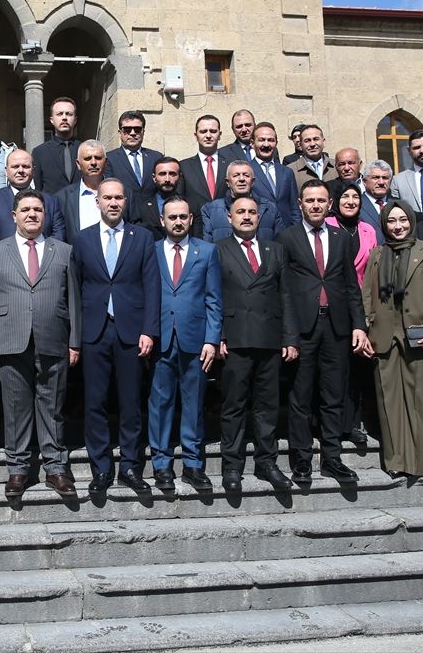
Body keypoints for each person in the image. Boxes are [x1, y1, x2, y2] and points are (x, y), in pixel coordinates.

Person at [0, 190, 81, 500]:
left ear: (45, 215)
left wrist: (75, 341)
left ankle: (56, 467)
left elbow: (73, 299)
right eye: (25, 209)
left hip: (53, 338)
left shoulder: (63, 250)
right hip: (10, 338)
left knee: (53, 407)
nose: (32, 214)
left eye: (37, 209)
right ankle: (18, 469)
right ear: (14, 215)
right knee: (15, 407)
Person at [277, 180, 370, 484]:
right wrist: (288, 335)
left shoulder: (341, 238)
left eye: (320, 200)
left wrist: (359, 325)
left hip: (336, 327)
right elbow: (283, 291)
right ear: (300, 204)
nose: (315, 205)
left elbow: (351, 285)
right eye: (309, 200)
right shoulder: (286, 238)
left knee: (333, 395)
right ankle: (302, 460)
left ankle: (332, 458)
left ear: (329, 205)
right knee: (300, 397)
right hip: (303, 329)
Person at [71, 179, 160, 496]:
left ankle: (131, 468)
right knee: (94, 402)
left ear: (125, 201)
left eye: (118, 198)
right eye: (107, 197)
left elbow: (152, 286)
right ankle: (101, 469)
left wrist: (149, 330)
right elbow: (75, 289)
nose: (112, 203)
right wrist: (75, 336)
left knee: (131, 402)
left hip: (131, 331)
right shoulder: (82, 239)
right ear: (97, 202)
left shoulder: (142, 237)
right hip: (94, 331)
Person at [362, 200, 423, 479]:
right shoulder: (377, 254)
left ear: (411, 222)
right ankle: (395, 461)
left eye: (402, 220)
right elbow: (368, 295)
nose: (397, 226)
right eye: (391, 221)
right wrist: (364, 330)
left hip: (419, 333)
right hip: (383, 335)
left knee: (418, 400)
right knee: (388, 402)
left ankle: (417, 463)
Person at [216, 195, 295, 492]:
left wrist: (290, 337)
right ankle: (231, 465)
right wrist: (218, 335)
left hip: (269, 338)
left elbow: (285, 295)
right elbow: (212, 295)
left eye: (252, 212)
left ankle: (267, 462)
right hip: (235, 338)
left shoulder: (275, 250)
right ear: (229, 217)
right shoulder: (218, 249)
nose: (247, 216)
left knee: (267, 405)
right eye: (241, 212)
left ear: (259, 217)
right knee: (233, 405)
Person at [149, 196, 222, 493]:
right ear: (162, 220)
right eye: (172, 217)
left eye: (183, 217)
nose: (177, 222)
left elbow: (214, 299)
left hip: (196, 340)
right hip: (161, 339)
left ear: (191, 219)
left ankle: (193, 464)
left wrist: (212, 339)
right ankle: (161, 464)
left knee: (193, 404)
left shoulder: (207, 251)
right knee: (160, 404)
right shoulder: (151, 251)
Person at [326, 183, 380, 447]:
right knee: (335, 367)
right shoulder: (326, 225)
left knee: (357, 366)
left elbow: (373, 269)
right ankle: (331, 423)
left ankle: (353, 423)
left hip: (361, 304)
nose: (350, 201)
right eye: (345, 196)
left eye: (355, 197)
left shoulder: (368, 229)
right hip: (333, 303)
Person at [0, 149, 66, 243]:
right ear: (6, 171)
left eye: (25, 166)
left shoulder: (51, 201)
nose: (20, 170)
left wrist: (45, 251)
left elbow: (59, 233)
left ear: (33, 171)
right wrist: (1, 251)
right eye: (15, 166)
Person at [201, 160, 283, 242]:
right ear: (228, 182)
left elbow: (280, 245)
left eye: (246, 175)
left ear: (253, 182)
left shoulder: (270, 209)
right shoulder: (211, 210)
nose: (241, 179)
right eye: (236, 175)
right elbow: (207, 246)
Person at [177, 115, 229, 238]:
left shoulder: (230, 165)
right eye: (203, 131)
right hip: (196, 230)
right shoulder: (183, 166)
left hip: (225, 228)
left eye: (213, 131)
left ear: (220, 135)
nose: (208, 135)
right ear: (196, 136)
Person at [55, 139, 109, 242]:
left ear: (106, 162)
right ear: (78, 164)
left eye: (98, 158)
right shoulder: (62, 198)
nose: (93, 163)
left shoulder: (123, 193)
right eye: (87, 158)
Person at [248, 122, 299, 227]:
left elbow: (294, 207)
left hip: (287, 230)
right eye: (261, 140)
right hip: (260, 229)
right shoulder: (247, 171)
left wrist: (296, 231)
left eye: (271, 140)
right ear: (252, 143)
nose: (266, 145)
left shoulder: (287, 172)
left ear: (276, 143)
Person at [104, 110, 162, 199]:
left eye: (137, 129)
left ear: (143, 132)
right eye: (127, 130)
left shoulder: (156, 157)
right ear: (120, 133)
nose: (132, 133)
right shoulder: (109, 159)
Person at [32, 97, 82, 195]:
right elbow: (38, 188)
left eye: (69, 114)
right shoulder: (39, 152)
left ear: (75, 120)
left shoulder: (85, 149)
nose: (64, 118)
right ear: (52, 120)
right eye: (59, 114)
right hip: (51, 203)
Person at [133, 156, 182, 240]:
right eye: (162, 174)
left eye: (172, 174)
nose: (167, 179)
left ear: (179, 177)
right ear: (154, 178)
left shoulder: (190, 206)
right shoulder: (141, 206)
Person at [359, 160, 394, 235]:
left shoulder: (398, 204)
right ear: (364, 182)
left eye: (385, 178)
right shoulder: (357, 205)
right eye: (376, 178)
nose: (381, 182)